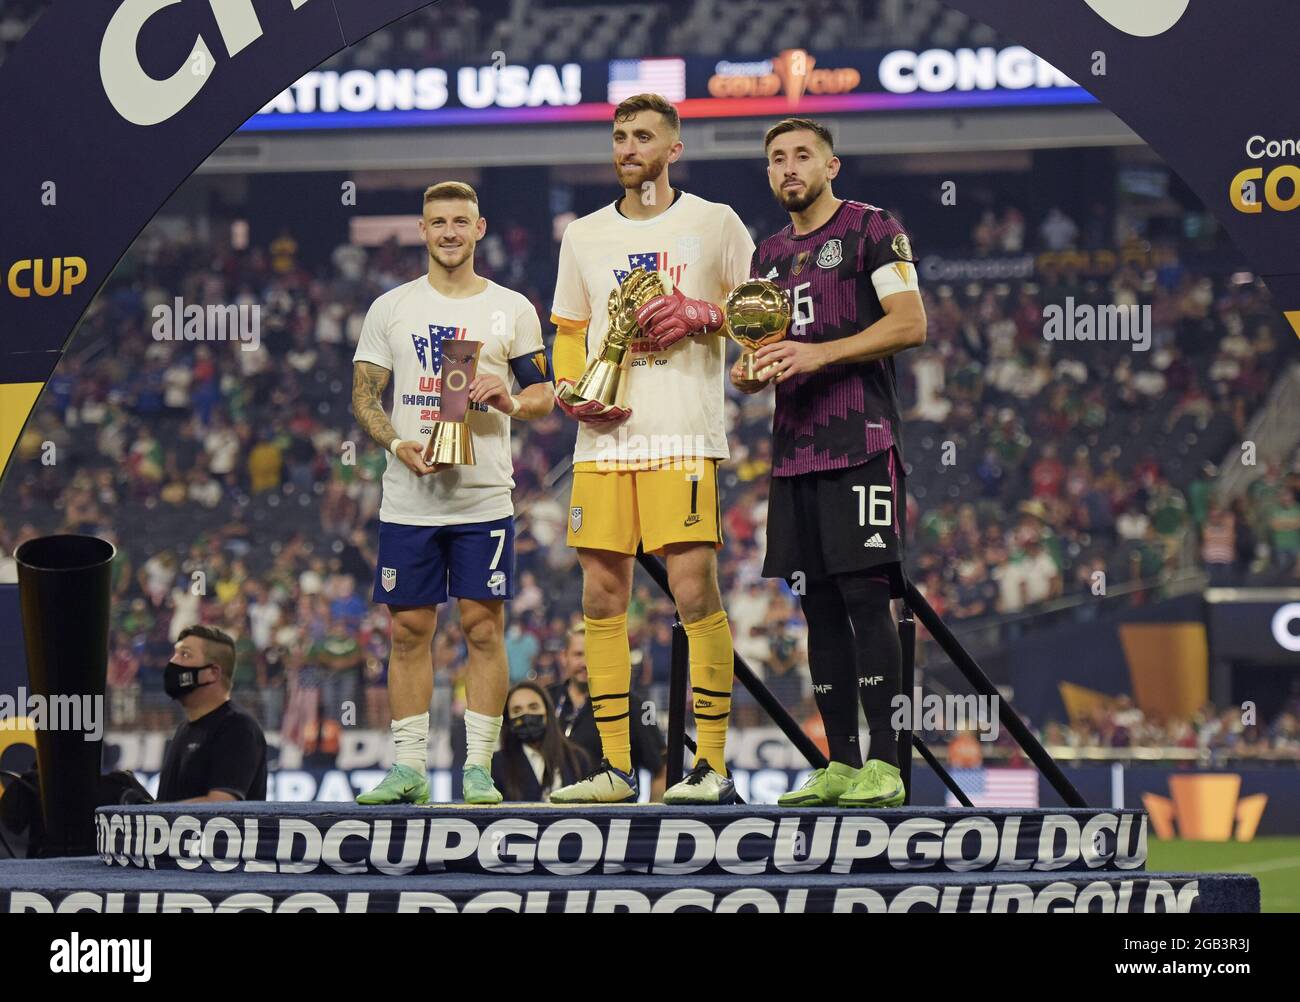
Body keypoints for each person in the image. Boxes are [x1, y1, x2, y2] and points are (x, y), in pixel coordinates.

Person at [548, 93, 754, 804]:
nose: (627, 146)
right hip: (602, 438)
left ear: (674, 149)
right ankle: (613, 770)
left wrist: (705, 314)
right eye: (619, 136)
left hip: (679, 434)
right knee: (601, 598)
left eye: (642, 136)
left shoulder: (714, 223)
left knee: (694, 591)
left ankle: (712, 767)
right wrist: (568, 383)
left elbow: (763, 310)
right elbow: (570, 327)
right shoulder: (583, 235)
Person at [733, 118, 927, 808]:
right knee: (815, 606)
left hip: (861, 443)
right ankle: (840, 762)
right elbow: (765, 349)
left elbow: (910, 322)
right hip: (793, 453)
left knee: (867, 599)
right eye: (777, 159)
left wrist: (820, 353)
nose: (789, 167)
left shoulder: (873, 228)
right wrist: (750, 372)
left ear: (831, 165)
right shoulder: (769, 256)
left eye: (802, 156)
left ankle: (887, 763)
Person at [350, 181, 556, 805]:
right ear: (422, 229)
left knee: (483, 630)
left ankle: (477, 769)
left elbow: (547, 398)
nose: (448, 232)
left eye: (459, 222)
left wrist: (511, 400)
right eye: (437, 221)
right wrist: (395, 444)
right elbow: (364, 395)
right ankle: (410, 768)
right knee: (408, 631)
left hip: (483, 499)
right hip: (409, 497)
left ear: (479, 228)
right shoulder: (391, 307)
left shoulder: (511, 308)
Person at [549, 623, 667, 800]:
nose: (585, 663)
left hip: (613, 819)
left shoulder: (633, 705)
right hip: (548, 815)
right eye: (579, 654)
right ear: (563, 656)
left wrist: (651, 822)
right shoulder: (545, 700)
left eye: (593, 655)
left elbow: (660, 770)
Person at [155, 625, 267, 802]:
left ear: (212, 673)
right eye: (175, 653)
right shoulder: (184, 729)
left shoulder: (237, 728)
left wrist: (156, 813)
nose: (173, 662)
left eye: (185, 654)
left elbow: (221, 805)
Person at [492, 681, 591, 802]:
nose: (526, 715)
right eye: (517, 710)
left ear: (547, 712)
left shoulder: (578, 759)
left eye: (533, 707)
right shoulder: (496, 765)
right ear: (508, 720)